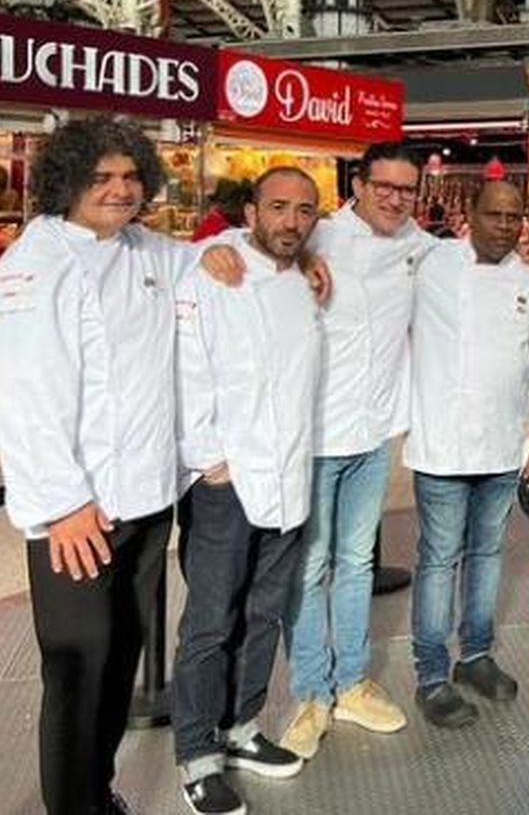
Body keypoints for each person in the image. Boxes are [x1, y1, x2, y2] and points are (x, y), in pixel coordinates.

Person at [0, 116, 196, 815]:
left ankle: (97, 792)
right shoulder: (33, 265)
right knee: (78, 669)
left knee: (120, 657)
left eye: (131, 176)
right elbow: (20, 393)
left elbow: (217, 265)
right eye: (102, 177)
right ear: (66, 179)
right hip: (78, 513)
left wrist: (250, 257)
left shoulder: (147, 250)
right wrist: (61, 503)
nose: (120, 189)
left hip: (142, 500)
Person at [170, 168, 325, 815]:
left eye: (304, 211)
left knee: (264, 611)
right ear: (252, 211)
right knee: (210, 621)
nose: (291, 221)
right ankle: (198, 755)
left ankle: (240, 726)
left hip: (289, 475)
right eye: (279, 207)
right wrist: (208, 456)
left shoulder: (307, 278)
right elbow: (187, 363)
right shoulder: (212, 270)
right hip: (226, 482)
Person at [277, 141, 433, 758]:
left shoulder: (419, 245)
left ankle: (352, 682)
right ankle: (311, 690)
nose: (396, 199)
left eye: (406, 189)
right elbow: (241, 247)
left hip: (371, 434)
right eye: (385, 187)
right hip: (313, 436)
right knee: (309, 567)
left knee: (356, 564)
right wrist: (219, 259)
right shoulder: (317, 237)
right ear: (359, 185)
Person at [405, 179, 529, 728]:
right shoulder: (431, 260)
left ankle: (477, 655)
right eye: (494, 215)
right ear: (471, 212)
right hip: (441, 443)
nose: (505, 226)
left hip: (502, 444)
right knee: (440, 558)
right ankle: (430, 675)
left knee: (489, 554)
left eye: (514, 217)